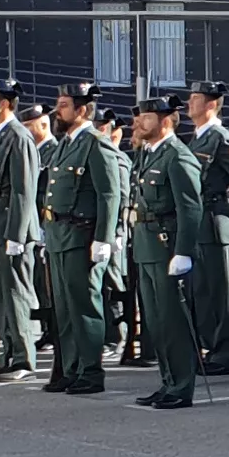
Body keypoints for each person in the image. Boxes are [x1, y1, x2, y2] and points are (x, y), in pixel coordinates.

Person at [40, 82, 120, 394]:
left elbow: (109, 194)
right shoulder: (65, 143)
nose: (57, 111)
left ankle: (90, 370)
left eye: (63, 105)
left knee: (85, 306)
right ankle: (71, 369)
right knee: (64, 309)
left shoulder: (95, 143)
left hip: (82, 235)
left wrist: (104, 238)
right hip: (59, 234)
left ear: (82, 110)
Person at [131, 95, 204, 409]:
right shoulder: (148, 154)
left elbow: (190, 208)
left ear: (164, 120)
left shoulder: (177, 156)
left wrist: (183, 250)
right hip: (147, 245)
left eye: (146, 117)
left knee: (173, 320)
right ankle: (168, 381)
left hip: (167, 245)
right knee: (157, 321)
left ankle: (181, 386)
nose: (138, 123)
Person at [0, 81, 40, 380]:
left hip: (9, 232)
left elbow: (23, 190)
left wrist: (17, 235)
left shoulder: (18, 137)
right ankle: (8, 352)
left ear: (4, 104)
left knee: (15, 295)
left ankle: (23, 359)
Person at [185, 82, 229, 376]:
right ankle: (208, 346)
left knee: (219, 292)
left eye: (196, 99)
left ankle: (223, 353)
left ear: (211, 104)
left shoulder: (220, 138)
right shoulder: (197, 138)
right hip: (198, 224)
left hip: (215, 224)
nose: (190, 103)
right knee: (201, 291)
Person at [95, 109, 134, 361]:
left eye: (101, 127)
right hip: (102, 230)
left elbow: (122, 196)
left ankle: (118, 336)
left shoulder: (117, 159)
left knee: (113, 284)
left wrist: (118, 231)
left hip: (115, 233)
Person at [25, 103, 59, 351]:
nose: (25, 131)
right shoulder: (32, 150)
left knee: (49, 283)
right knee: (40, 283)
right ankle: (48, 329)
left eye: (29, 126)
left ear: (44, 125)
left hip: (46, 223)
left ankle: (53, 329)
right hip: (35, 225)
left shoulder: (53, 151)